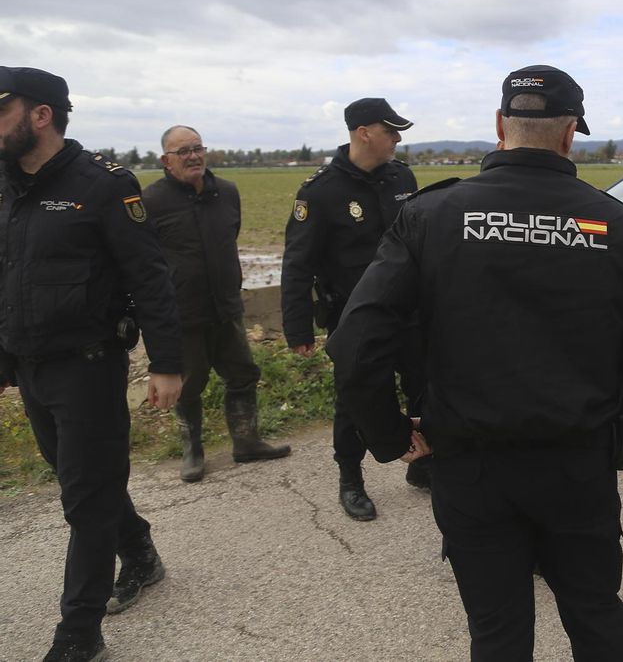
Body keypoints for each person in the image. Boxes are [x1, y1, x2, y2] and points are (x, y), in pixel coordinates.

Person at [326, 64, 623, 661]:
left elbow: (356, 343)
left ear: (498, 126)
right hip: (576, 464)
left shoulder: (432, 215)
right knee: (596, 618)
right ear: (571, 135)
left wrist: (391, 437)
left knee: (498, 634)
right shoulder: (613, 223)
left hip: (471, 468)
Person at [0, 67, 184, 662]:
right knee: (84, 481)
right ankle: (140, 550)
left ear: (40, 115)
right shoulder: (4, 184)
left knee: (84, 497)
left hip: (88, 364)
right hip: (30, 365)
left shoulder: (102, 183)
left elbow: (149, 276)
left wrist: (167, 362)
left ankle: (78, 632)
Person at [281, 97, 426, 521]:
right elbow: (298, 263)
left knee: (425, 388)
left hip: (411, 311)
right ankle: (350, 479)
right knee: (354, 400)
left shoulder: (402, 176)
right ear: (364, 132)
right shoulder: (320, 191)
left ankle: (424, 465)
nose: (398, 138)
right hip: (354, 319)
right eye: (390, 130)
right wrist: (298, 328)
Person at [143, 125, 291, 482]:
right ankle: (192, 451)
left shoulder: (227, 192)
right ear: (166, 160)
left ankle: (246, 441)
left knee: (242, 374)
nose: (193, 156)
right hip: (184, 312)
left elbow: (230, 235)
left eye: (197, 148)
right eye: (183, 151)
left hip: (226, 307)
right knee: (190, 383)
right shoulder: (151, 201)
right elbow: (145, 259)